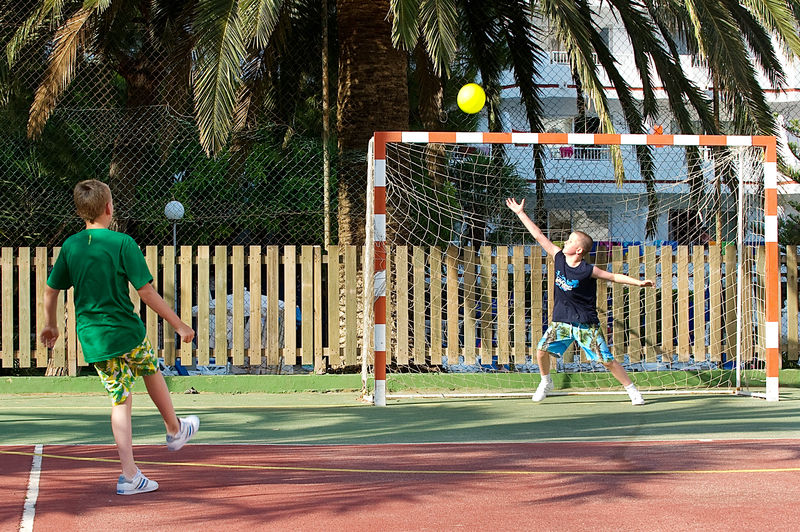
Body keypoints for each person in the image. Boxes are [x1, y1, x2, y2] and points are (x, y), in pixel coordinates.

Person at [40, 179, 200, 495]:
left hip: (94, 339)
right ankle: (174, 429)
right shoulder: (122, 243)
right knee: (150, 369)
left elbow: (50, 288)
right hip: (126, 332)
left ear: (79, 211)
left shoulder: (71, 246)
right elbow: (146, 291)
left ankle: (130, 476)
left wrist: (51, 324)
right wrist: (179, 324)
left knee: (120, 399)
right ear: (109, 208)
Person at [506, 197, 654, 405]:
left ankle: (632, 390)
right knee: (541, 351)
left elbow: (613, 277)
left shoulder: (587, 270)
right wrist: (520, 213)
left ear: (579, 250)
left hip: (585, 324)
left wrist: (638, 283)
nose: (565, 241)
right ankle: (546, 381)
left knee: (607, 361)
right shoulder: (558, 257)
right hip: (562, 322)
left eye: (571, 240)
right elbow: (539, 236)